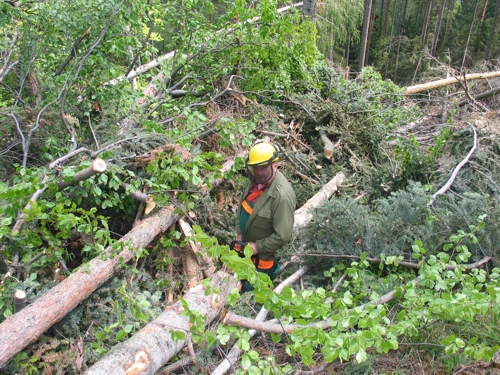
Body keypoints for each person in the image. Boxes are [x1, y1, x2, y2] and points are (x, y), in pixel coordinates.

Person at [234, 141, 296, 292]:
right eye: (255, 168)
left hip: (264, 261)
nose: (259, 172)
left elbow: (283, 236)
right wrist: (239, 234)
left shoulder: (282, 196)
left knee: (252, 292)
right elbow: (243, 208)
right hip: (244, 251)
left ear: (275, 165)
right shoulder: (255, 182)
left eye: (263, 168)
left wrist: (258, 247)